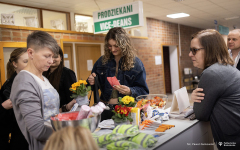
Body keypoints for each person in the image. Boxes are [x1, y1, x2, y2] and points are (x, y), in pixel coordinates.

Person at [189, 29, 240, 150]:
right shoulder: (227, 67)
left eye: (194, 50)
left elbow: (201, 114)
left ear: (210, 50)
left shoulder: (212, 73)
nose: (190, 54)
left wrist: (195, 99)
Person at [10, 31, 60, 150]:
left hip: (56, 142)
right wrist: (70, 130)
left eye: (52, 57)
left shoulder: (43, 78)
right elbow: (38, 130)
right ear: (31, 53)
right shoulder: (24, 82)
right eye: (47, 56)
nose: (51, 61)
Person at [88, 27, 149, 120]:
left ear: (124, 44)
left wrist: (130, 91)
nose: (112, 49)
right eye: (110, 46)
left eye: (116, 46)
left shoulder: (136, 63)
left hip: (125, 110)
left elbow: (144, 92)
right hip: (104, 109)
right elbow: (92, 86)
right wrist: (91, 81)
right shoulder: (102, 61)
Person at [0, 48, 29, 150]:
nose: (30, 64)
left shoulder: (37, 80)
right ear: (15, 64)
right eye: (25, 61)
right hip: (20, 135)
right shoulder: (9, 87)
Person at [43, 46, 77, 112]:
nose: (52, 59)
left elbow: (71, 97)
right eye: (49, 56)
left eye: (55, 56)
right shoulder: (43, 73)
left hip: (63, 113)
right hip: (48, 113)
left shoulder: (67, 73)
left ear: (61, 58)